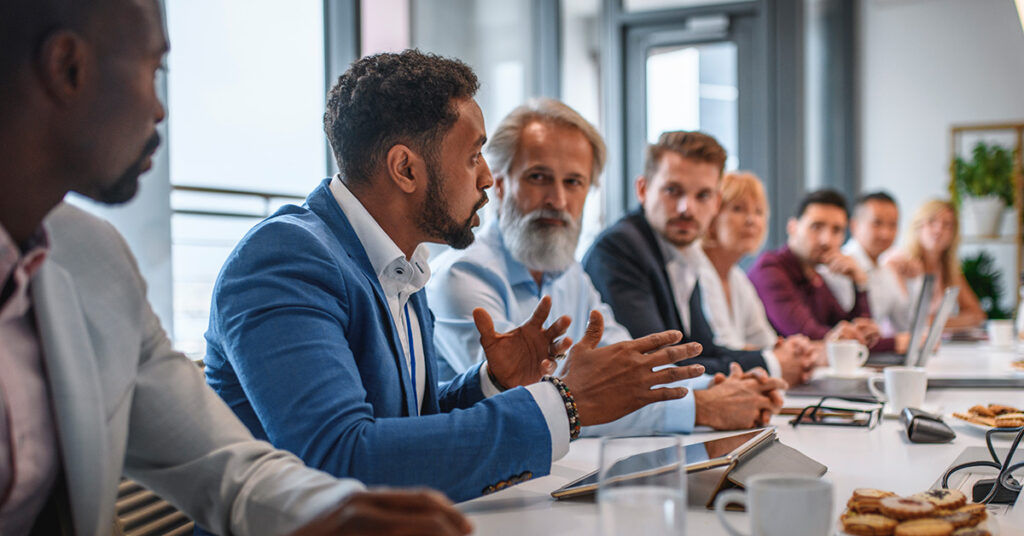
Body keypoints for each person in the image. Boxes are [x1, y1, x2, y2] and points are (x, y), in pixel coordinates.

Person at [0, 1, 472, 535]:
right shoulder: (288, 256)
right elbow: (341, 449)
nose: (160, 110)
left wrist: (325, 512)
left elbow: (226, 466)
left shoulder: (94, 259)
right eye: (154, 71)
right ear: (67, 66)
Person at [203, 50, 704, 504]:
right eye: (472, 157)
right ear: (405, 168)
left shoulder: (400, 262)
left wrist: (490, 383)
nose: (488, 178)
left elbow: (402, 425)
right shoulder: (285, 260)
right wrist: (565, 403)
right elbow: (341, 459)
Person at [428, 99, 786, 432]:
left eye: (574, 182)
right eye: (538, 177)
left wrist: (725, 386)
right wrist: (701, 406)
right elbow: (532, 404)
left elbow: (628, 365)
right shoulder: (464, 275)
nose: (558, 199)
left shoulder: (569, 273)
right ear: (501, 184)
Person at [583, 131, 816, 386]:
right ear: (643, 189)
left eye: (702, 196)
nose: (687, 208)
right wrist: (772, 364)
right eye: (673, 191)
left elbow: (700, 349)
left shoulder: (685, 251)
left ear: (716, 202)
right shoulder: (620, 248)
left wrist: (772, 356)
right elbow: (661, 365)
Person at [747, 189, 900, 352]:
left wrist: (859, 284)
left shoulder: (816, 278)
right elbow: (810, 334)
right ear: (792, 227)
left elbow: (853, 330)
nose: (826, 240)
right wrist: (895, 343)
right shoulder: (770, 270)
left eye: (836, 230)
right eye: (816, 227)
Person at [699, 171, 788, 350]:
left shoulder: (737, 278)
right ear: (712, 216)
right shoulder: (696, 270)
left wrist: (789, 350)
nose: (751, 220)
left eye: (758, 211)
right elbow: (724, 349)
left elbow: (764, 339)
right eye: (738, 209)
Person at [821, 192, 914, 340]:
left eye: (893, 225)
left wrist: (910, 280)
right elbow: (850, 330)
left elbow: (906, 324)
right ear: (854, 226)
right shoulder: (838, 267)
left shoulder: (886, 269)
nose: (886, 233)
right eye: (877, 223)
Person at [887, 199, 986, 330]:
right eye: (932, 222)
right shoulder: (900, 263)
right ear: (918, 226)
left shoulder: (949, 271)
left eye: (947, 225)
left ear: (953, 234)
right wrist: (949, 322)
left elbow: (978, 315)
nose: (938, 230)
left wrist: (935, 322)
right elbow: (910, 320)